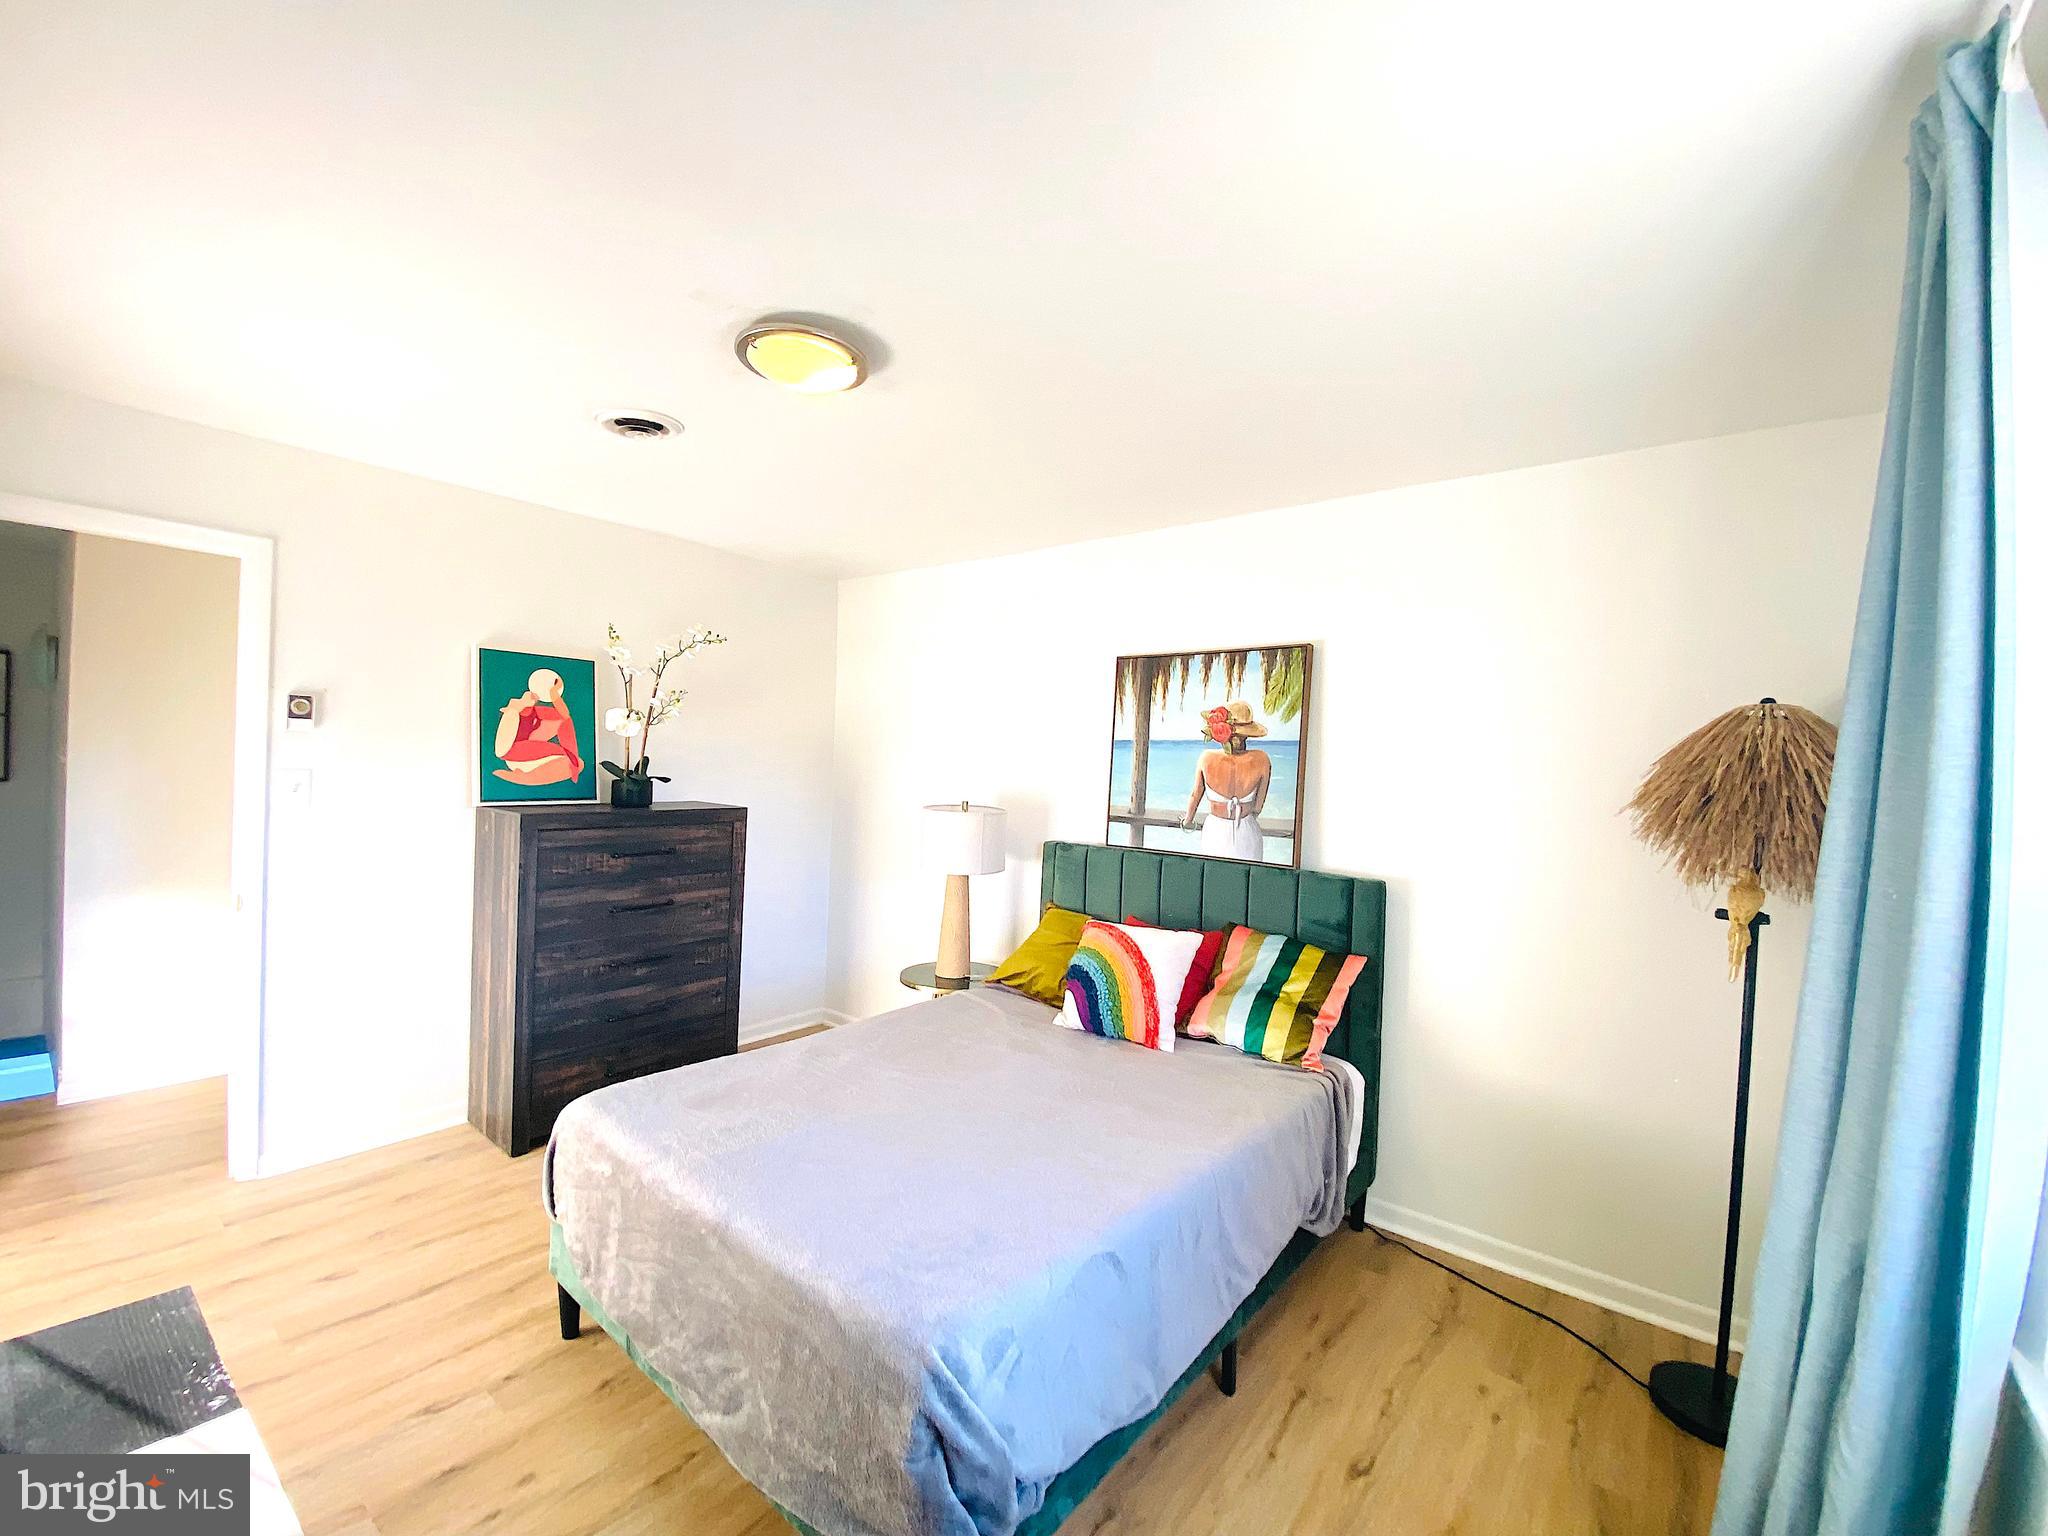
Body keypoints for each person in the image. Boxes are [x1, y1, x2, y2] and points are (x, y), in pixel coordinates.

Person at [1180, 700, 1271, 860]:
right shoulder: (1262, 759)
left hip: (1215, 832)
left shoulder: (1206, 758)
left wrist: (1188, 821)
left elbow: (1195, 795)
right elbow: (1257, 807)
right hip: (1247, 832)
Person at [492, 668, 583, 786]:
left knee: (577, 763)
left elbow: (564, 716)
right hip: (514, 753)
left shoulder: (536, 711)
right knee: (572, 762)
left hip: (531, 753)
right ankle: (524, 777)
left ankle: (527, 776)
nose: (530, 695)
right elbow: (501, 751)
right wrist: (516, 708)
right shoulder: (513, 712)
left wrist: (554, 694)